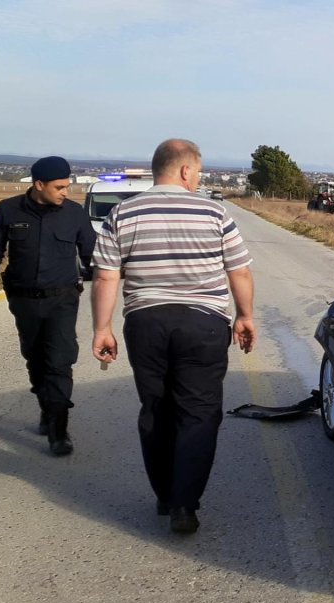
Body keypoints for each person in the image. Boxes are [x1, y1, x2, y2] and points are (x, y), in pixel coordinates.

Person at [91, 139, 256, 534]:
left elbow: (104, 276)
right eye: (197, 171)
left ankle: (165, 495)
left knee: (157, 408)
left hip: (146, 323)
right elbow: (240, 272)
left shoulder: (122, 214)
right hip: (203, 323)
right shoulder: (214, 212)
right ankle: (185, 503)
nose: (198, 178)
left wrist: (102, 328)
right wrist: (245, 315)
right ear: (184, 170)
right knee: (198, 412)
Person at [0, 157, 95, 456]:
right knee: (35, 358)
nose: (65, 192)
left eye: (67, 186)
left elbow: (92, 255)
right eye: (59, 187)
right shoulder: (8, 210)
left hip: (62, 299)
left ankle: (59, 430)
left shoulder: (74, 214)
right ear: (38, 185)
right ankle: (47, 405)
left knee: (60, 360)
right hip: (24, 300)